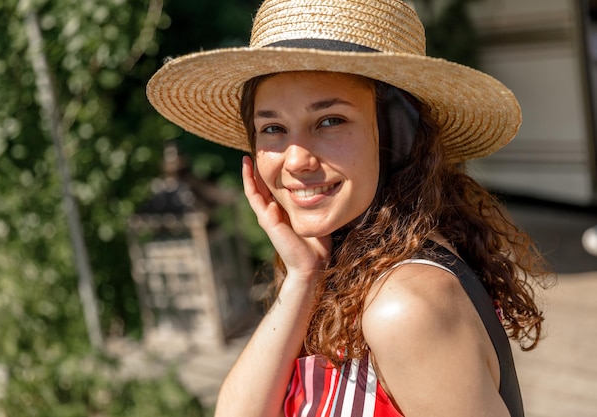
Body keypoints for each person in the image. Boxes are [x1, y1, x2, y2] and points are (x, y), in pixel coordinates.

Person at [146, 1, 553, 416]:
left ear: (397, 133)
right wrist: (303, 277)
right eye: (272, 128)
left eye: (329, 121)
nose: (295, 160)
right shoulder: (348, 268)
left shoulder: (406, 308)